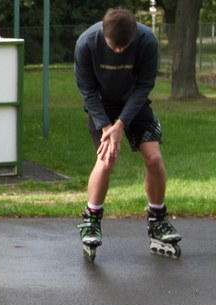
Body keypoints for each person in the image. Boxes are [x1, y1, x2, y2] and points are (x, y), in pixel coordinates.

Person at [74, 7, 181, 257]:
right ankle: (91, 221)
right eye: (114, 46)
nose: (120, 51)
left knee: (154, 157)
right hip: (101, 105)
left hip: (135, 102)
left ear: (134, 34)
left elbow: (145, 85)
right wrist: (106, 127)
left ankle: (157, 219)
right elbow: (87, 90)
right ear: (103, 32)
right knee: (107, 158)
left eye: (125, 46)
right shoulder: (86, 44)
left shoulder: (147, 42)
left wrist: (120, 125)